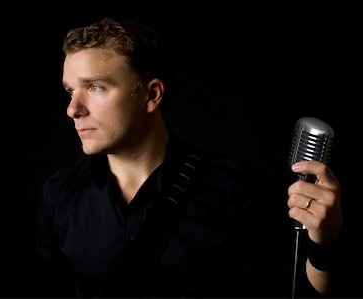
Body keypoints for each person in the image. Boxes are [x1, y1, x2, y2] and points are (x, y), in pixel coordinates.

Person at [35, 17, 346, 298]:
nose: (73, 109)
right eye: (70, 91)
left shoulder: (231, 187)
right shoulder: (60, 193)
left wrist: (326, 244)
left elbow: (296, 292)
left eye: (95, 87)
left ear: (151, 94)